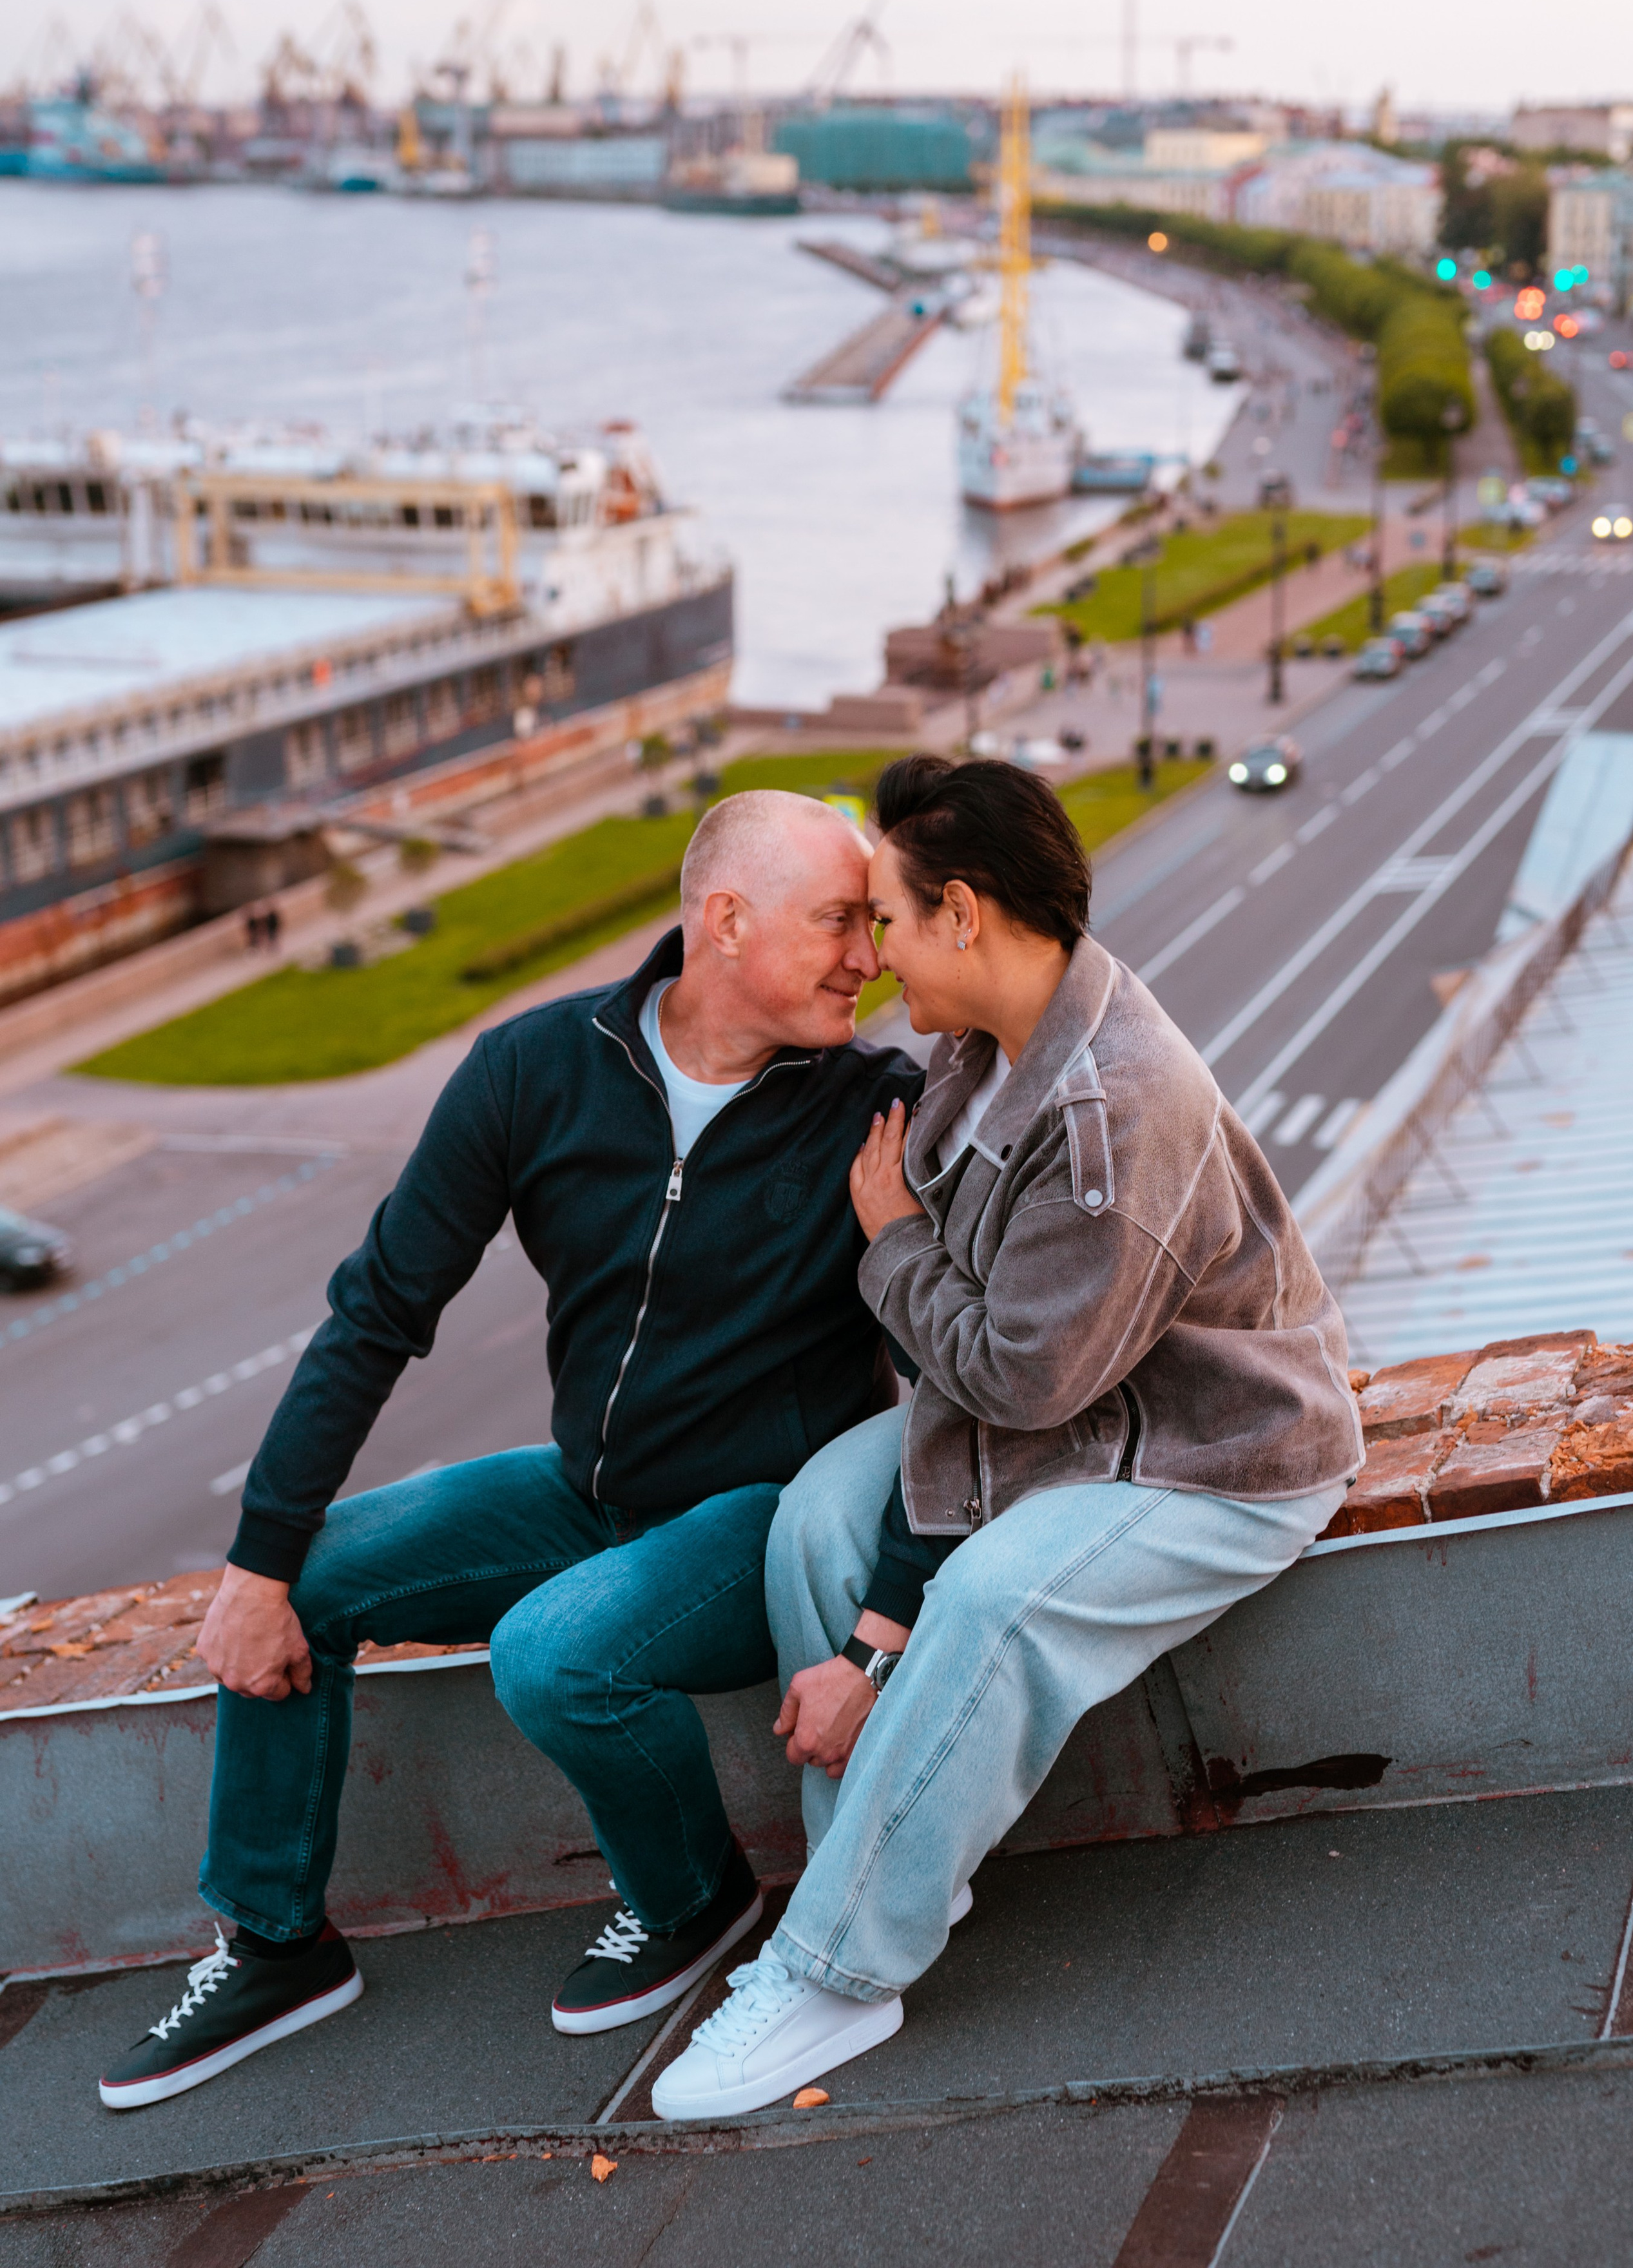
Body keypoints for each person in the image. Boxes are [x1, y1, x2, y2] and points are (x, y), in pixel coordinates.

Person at [98, 791, 923, 2110]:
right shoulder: (534, 1070)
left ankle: (693, 1897)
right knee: (301, 1575)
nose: (865, 960)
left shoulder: (876, 1109)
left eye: (870, 927)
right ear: (724, 920)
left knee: (555, 1649)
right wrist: (254, 1564)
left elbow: (951, 1394)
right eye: (838, 922)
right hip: (588, 1493)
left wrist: (880, 1620)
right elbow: (377, 1315)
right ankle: (275, 1946)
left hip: (754, 1522)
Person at [651, 755, 1361, 2120]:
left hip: (1208, 1453)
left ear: (962, 916)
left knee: (988, 1602)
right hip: (1070, 1406)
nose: (868, 955)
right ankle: (860, 1891)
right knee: (812, 1519)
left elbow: (1008, 1383)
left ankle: (835, 1970)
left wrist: (890, 1249)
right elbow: (985, 1373)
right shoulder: (987, 1045)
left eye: (888, 922)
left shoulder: (1111, 1110)